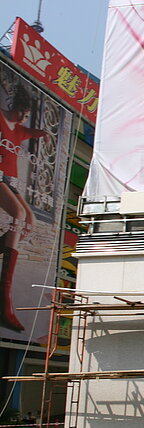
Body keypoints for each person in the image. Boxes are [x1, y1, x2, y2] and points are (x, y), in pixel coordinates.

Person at [0, 87, 49, 331]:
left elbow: (33, 131)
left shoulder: (19, 131)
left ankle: (4, 292)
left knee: (29, 221)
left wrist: (44, 134)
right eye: (22, 112)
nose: (23, 118)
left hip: (11, 180)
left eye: (27, 114)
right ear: (15, 107)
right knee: (18, 215)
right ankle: (4, 300)